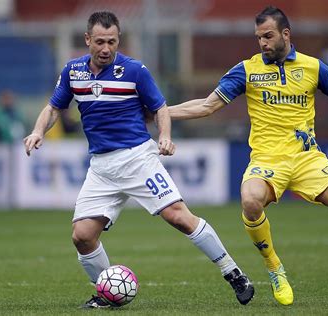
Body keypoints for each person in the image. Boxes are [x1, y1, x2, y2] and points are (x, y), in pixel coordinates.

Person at [168, 6, 328, 306]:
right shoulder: (247, 70)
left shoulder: (313, 67)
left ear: (286, 34)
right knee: (250, 201)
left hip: (307, 159)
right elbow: (207, 106)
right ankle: (275, 269)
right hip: (267, 159)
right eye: (259, 37)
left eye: (268, 36)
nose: (262, 43)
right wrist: (160, 112)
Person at [23, 11, 254, 308]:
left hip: (137, 159)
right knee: (82, 236)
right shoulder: (72, 71)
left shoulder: (134, 71)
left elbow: (160, 108)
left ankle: (233, 272)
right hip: (101, 168)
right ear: (87, 40)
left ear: (119, 40)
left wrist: (165, 137)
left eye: (112, 42)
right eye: (100, 42)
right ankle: (107, 293)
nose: (106, 49)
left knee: (179, 217)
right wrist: (38, 131)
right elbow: (54, 107)